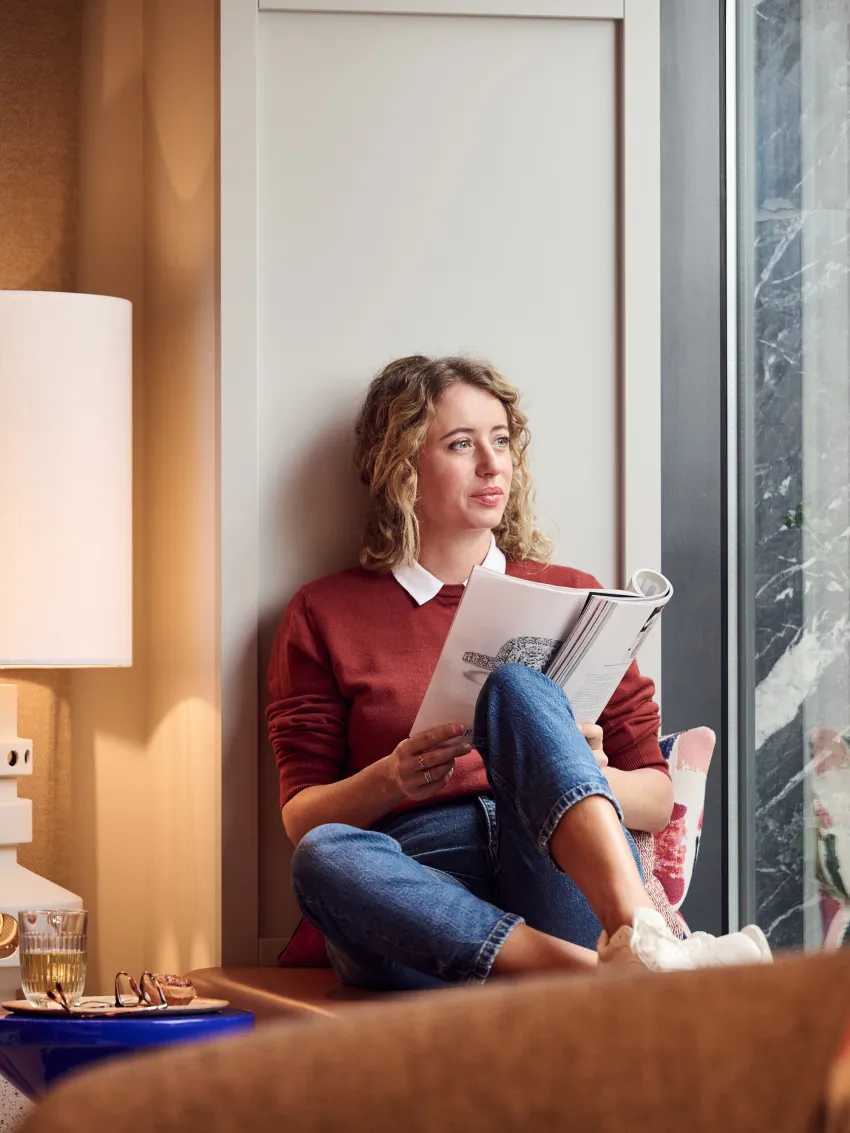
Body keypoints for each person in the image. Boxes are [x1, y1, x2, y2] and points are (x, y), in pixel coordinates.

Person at [266, 355, 771, 988]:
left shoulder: (575, 595)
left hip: (555, 859)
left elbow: (658, 796)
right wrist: (393, 776)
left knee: (517, 686)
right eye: (460, 443)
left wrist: (585, 770)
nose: (492, 463)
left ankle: (637, 931)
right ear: (402, 467)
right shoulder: (325, 612)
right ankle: (606, 976)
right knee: (322, 857)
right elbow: (302, 818)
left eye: (501, 440)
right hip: (423, 893)